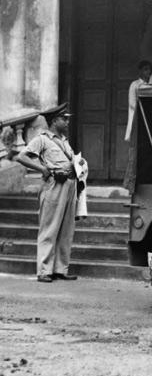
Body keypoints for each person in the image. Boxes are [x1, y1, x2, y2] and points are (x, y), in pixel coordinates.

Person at [16, 104, 78, 283]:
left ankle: (60, 269)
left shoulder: (64, 140)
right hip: (54, 185)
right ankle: (44, 270)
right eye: (64, 119)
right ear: (54, 121)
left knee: (66, 230)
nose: (67, 122)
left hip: (69, 184)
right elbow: (22, 156)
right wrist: (42, 168)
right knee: (49, 228)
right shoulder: (42, 139)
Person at [124, 60, 152, 142]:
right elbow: (132, 103)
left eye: (150, 69)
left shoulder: (151, 84)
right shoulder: (135, 84)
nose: (148, 72)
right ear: (140, 71)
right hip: (137, 115)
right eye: (146, 69)